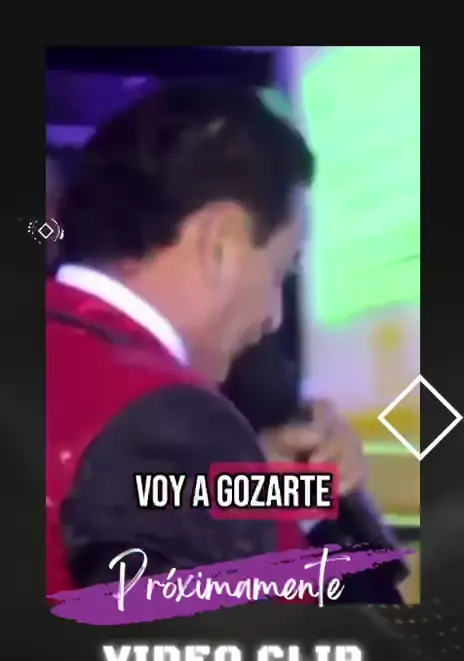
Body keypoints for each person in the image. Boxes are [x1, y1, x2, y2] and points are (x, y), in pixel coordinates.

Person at [46, 80, 368, 597]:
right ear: (220, 244)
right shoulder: (166, 419)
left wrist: (262, 491)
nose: (273, 318)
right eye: (279, 272)